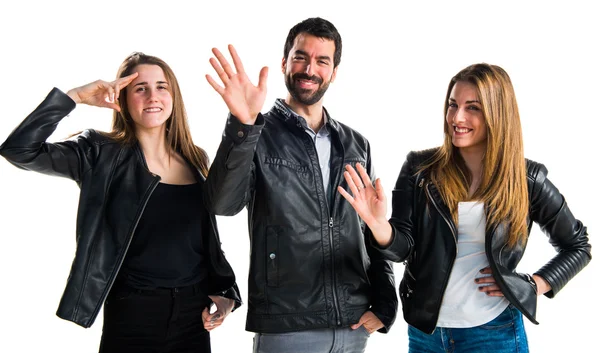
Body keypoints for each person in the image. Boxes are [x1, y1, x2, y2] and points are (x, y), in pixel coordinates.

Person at [338, 63, 592, 353]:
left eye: (473, 108)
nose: (457, 117)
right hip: (427, 335)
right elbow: (403, 249)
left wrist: (533, 285)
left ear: (498, 114)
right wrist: (379, 225)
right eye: (452, 105)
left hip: (495, 332)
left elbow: (578, 245)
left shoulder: (526, 179)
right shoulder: (420, 170)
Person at [0, 52, 242, 353]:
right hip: (132, 314)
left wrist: (224, 292)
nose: (152, 95)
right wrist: (74, 97)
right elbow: (19, 150)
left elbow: (203, 239)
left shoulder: (195, 159)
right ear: (124, 99)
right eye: (140, 88)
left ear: (173, 96)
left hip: (193, 317)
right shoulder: (99, 154)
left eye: (161, 86)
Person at [203, 17, 397, 353]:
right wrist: (243, 125)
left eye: (322, 61)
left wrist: (385, 305)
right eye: (300, 57)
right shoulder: (257, 134)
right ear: (284, 63)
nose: (310, 69)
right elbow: (222, 204)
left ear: (334, 72)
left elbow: (372, 229)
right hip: (288, 326)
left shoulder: (356, 145)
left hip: (353, 327)